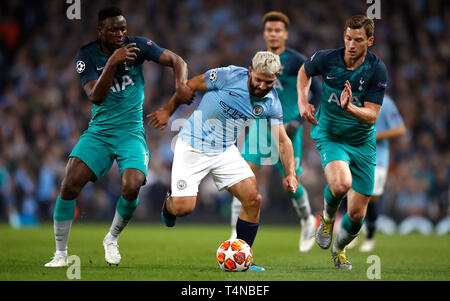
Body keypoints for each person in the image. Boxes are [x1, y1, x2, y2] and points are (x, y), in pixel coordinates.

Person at [44, 7, 195, 267]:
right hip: (100, 132)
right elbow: (95, 96)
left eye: (123, 28)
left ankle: (111, 239)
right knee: (69, 185)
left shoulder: (137, 46)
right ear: (100, 31)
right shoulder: (86, 55)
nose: (120, 34)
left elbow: (178, 61)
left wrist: (181, 84)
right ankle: (60, 253)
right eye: (114, 29)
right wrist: (113, 62)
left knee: (133, 183)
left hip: (130, 133)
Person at [149, 51, 298, 271]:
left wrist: (291, 174)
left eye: (269, 82)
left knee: (253, 199)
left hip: (224, 151)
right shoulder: (227, 76)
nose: (262, 86)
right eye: (258, 80)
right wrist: (168, 110)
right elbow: (189, 85)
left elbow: (283, 142)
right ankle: (169, 206)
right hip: (192, 145)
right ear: (250, 71)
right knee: (184, 208)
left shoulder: (271, 102)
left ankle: (243, 256)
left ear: (276, 77)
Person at [297, 15, 387, 269]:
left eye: (358, 40)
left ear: (369, 41)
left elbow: (371, 117)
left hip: (362, 142)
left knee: (357, 214)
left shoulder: (376, 69)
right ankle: (326, 218)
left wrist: (350, 109)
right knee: (340, 185)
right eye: (348, 38)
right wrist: (303, 102)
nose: (351, 44)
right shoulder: (327, 58)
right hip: (331, 135)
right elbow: (304, 71)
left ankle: (339, 249)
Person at [229, 11, 321, 253]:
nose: (273, 33)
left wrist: (303, 118)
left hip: (288, 129)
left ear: (285, 34)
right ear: (264, 33)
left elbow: (317, 89)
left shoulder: (296, 61)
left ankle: (307, 220)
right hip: (260, 128)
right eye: (269, 29)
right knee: (243, 178)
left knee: (291, 183)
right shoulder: (256, 59)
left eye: (278, 30)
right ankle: (234, 234)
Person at [354, 94, 405, 252]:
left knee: (371, 198)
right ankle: (352, 232)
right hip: (355, 155)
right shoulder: (354, 97)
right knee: (353, 195)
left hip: (378, 158)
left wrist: (376, 135)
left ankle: (370, 236)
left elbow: (400, 129)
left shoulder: (386, 102)